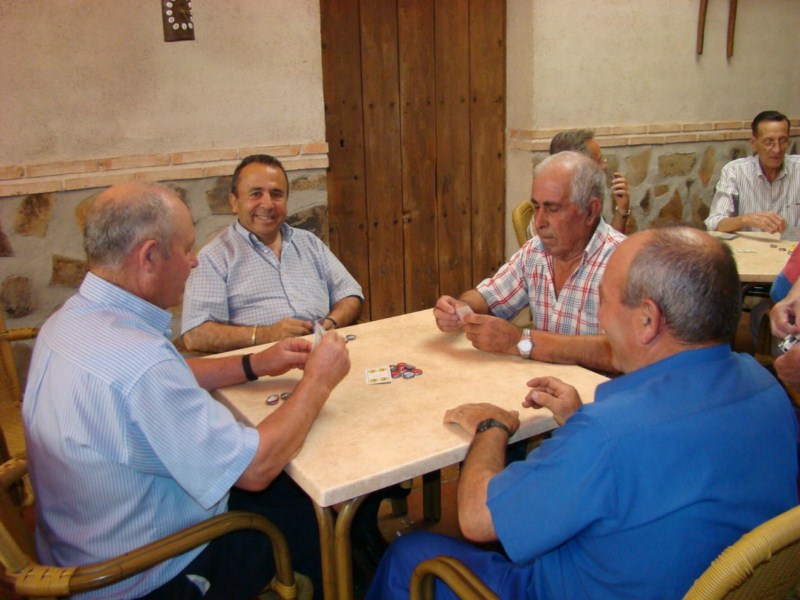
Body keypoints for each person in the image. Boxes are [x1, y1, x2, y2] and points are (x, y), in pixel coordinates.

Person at [369, 226, 799, 599]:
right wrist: (580, 426)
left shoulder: (610, 435)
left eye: (605, 301)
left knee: (410, 555)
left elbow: (477, 518)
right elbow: (669, 471)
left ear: (648, 321)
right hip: (700, 580)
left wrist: (491, 426)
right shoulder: (769, 390)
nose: (601, 315)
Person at [22, 182, 350, 599]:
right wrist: (318, 381)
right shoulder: (141, 361)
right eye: (187, 248)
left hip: (82, 543)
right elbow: (255, 468)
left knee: (288, 494)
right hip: (147, 574)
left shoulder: (69, 321)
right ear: (149, 256)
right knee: (305, 511)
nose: (195, 262)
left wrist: (255, 363)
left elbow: (167, 376)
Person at [435, 151, 626, 373]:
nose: (539, 221)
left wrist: (521, 341)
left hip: (599, 398)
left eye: (552, 209)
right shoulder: (536, 251)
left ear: (590, 211)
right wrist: (458, 309)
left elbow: (619, 352)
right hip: (543, 387)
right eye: (536, 207)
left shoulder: (622, 263)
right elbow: (488, 298)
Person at [181, 154, 363, 354]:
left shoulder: (308, 242)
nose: (267, 204)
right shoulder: (213, 258)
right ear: (234, 202)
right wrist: (265, 334)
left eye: (276, 194)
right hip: (262, 368)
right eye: (256, 193)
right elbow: (195, 335)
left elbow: (350, 293)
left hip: (323, 353)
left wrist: (332, 321)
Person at [705, 110, 800, 234]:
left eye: (782, 141)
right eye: (769, 142)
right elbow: (714, 223)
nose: (777, 149)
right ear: (754, 144)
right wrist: (745, 219)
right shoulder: (735, 171)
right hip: (750, 250)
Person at [549, 128, 631, 233]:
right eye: (599, 160)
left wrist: (621, 209)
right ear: (579, 165)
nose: (605, 166)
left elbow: (607, 244)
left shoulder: (585, 194)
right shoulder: (557, 208)